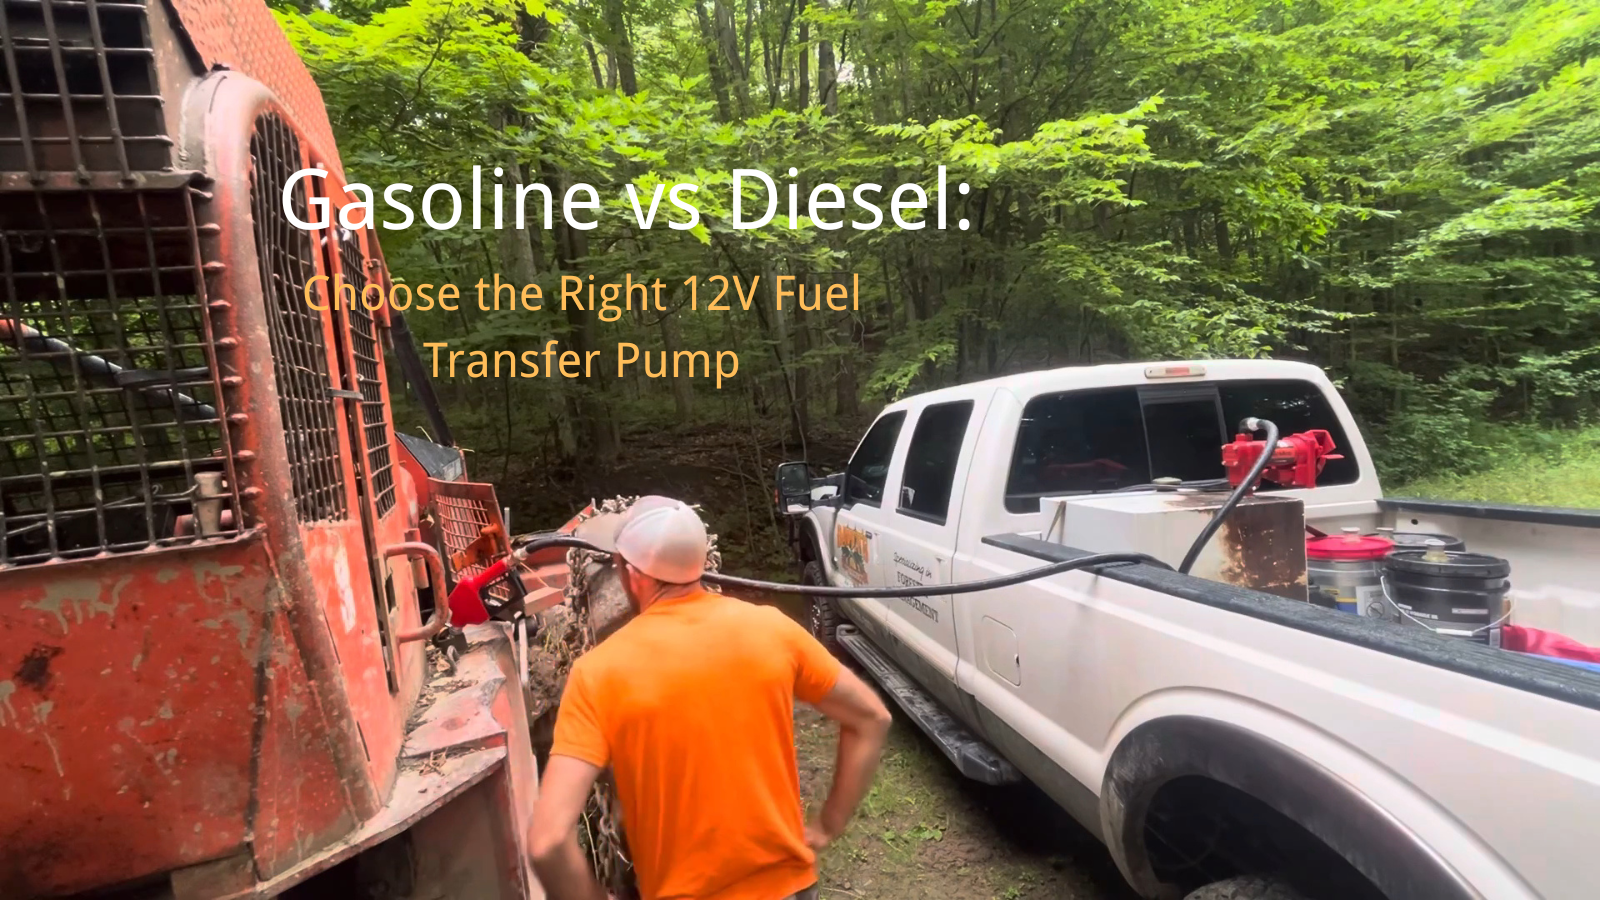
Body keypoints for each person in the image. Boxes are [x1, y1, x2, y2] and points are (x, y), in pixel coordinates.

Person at [529, 496, 893, 900]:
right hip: (788, 888)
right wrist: (829, 823)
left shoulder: (598, 673)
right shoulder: (773, 630)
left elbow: (547, 841)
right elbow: (871, 718)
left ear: (630, 574)